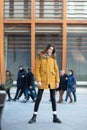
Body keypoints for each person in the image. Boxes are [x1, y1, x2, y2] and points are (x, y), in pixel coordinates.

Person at [28, 44, 61, 124]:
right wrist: (38, 80)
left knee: (53, 98)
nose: (50, 51)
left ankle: (55, 117)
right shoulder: (40, 57)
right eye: (49, 49)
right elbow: (37, 69)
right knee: (38, 98)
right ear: (47, 49)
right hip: (42, 81)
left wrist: (57, 81)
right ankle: (34, 117)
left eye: (52, 50)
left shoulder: (53, 59)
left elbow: (56, 70)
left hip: (52, 80)